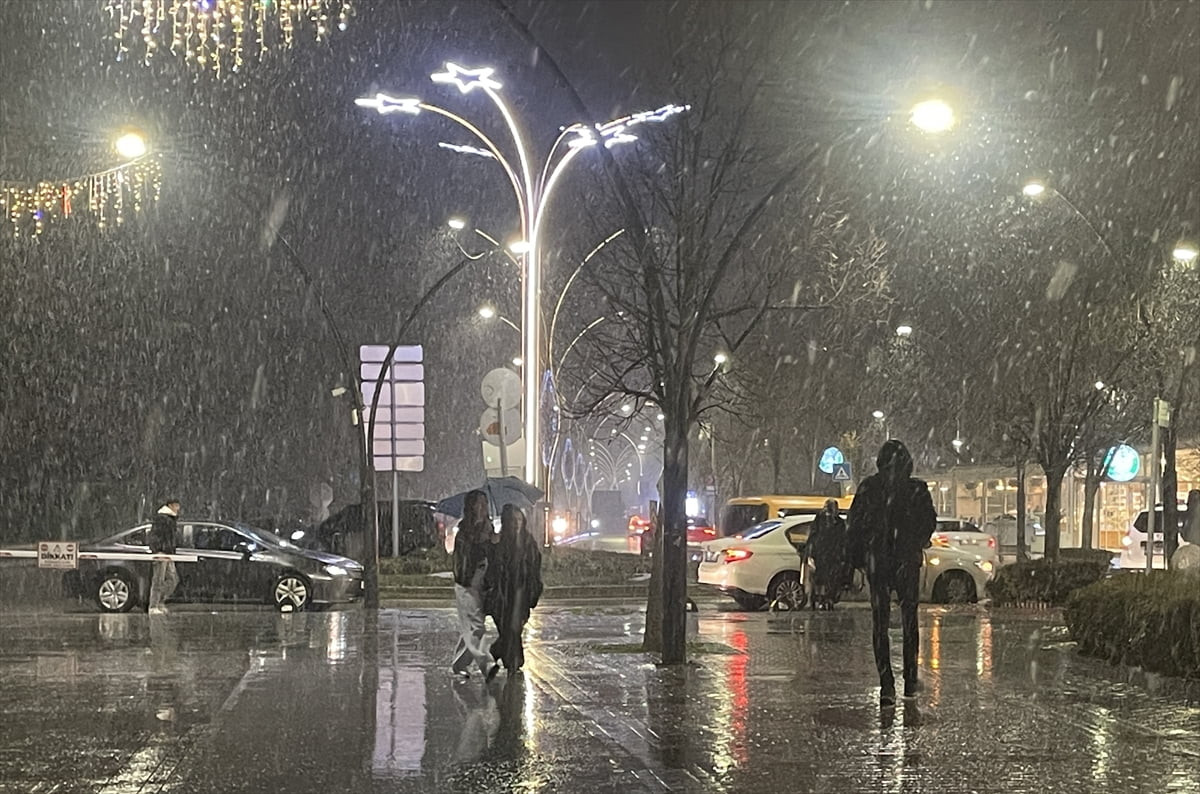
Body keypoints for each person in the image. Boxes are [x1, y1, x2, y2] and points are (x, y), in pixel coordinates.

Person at [848, 440, 936, 706]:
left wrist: (858, 560)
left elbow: (853, 527)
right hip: (906, 561)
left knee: (880, 623)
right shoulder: (916, 489)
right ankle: (910, 679)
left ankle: (887, 684)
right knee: (910, 620)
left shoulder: (869, 488)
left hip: (879, 562)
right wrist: (915, 542)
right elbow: (929, 521)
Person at [486, 504, 544, 677]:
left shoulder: (528, 542)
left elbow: (535, 568)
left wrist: (534, 590)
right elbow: (492, 569)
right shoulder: (500, 542)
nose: (516, 524)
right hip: (502, 594)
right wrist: (493, 547)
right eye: (513, 520)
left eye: (519, 519)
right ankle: (513, 662)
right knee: (509, 629)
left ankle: (498, 652)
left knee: (514, 628)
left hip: (521, 593)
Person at [451, 491, 494, 679]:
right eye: (479, 503)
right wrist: (480, 542)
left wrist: (493, 542)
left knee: (472, 626)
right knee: (476, 626)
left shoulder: (489, 528)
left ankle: (459, 663)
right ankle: (486, 664)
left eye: (485, 503)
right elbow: (465, 559)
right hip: (467, 582)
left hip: (484, 582)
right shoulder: (464, 532)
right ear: (471, 507)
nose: (483, 507)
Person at [806, 499, 847, 610]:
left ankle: (822, 599)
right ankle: (824, 599)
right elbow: (842, 540)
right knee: (826, 579)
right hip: (828, 555)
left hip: (826, 555)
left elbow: (813, 536)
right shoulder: (834, 522)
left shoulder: (827, 521)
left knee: (823, 579)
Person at [147, 499, 181, 615]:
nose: (178, 508)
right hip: (162, 553)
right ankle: (153, 605)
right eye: (176, 505)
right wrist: (158, 550)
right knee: (158, 579)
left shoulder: (170, 519)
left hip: (168, 553)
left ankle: (159, 602)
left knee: (172, 579)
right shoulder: (162, 519)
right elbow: (156, 536)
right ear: (170, 506)